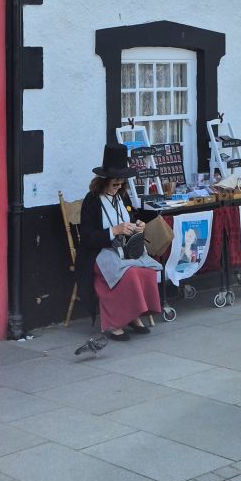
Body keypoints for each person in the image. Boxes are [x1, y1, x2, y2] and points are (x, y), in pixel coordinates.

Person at [77, 144, 162, 341]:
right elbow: (87, 237)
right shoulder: (92, 201)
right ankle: (116, 322)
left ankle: (133, 316)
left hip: (123, 250)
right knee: (129, 273)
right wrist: (113, 231)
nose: (119, 183)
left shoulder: (122, 197)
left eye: (122, 180)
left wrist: (137, 226)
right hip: (98, 253)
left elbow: (130, 219)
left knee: (147, 270)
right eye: (115, 180)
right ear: (104, 179)